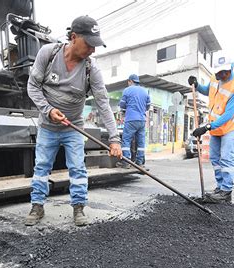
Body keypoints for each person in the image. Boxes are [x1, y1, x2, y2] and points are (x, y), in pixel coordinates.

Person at [26, 15, 122, 226]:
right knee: (41, 166)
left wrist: (115, 139)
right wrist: (48, 110)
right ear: (73, 37)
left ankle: (79, 208)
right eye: (89, 44)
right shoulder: (48, 54)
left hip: (73, 128)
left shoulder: (91, 69)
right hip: (47, 127)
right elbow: (32, 87)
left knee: (77, 168)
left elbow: (103, 104)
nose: (93, 50)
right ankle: (37, 206)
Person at [188, 54, 234, 203]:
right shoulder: (215, 79)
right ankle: (220, 187)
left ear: (231, 68)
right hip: (217, 125)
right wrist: (196, 85)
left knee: (226, 157)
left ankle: (226, 191)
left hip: (232, 125)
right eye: (218, 72)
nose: (221, 75)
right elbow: (206, 90)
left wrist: (207, 127)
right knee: (214, 157)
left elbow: (228, 114)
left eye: (225, 72)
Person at [116, 74, 151, 169]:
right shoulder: (145, 91)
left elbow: (122, 105)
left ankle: (126, 161)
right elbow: (148, 106)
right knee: (141, 142)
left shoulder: (127, 90)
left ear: (130, 81)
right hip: (142, 120)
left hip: (131, 119)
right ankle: (139, 162)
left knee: (126, 140)